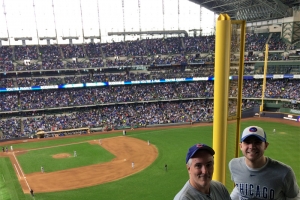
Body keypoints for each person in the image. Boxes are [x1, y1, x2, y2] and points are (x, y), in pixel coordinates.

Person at [229, 126, 300, 199]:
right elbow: (239, 188)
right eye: (247, 142)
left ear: (265, 146)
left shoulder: (285, 172)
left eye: (257, 142)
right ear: (241, 146)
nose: (252, 146)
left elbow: (294, 198)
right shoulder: (234, 165)